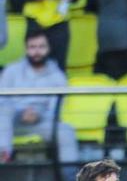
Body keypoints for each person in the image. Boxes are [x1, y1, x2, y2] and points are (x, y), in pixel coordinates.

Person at [0, 30, 80, 167]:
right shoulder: (11, 70)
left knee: (66, 131)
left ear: (48, 49)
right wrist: (20, 113)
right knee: (4, 110)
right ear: (26, 49)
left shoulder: (58, 76)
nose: (37, 52)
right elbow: (2, 99)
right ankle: (3, 156)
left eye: (41, 47)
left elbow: (56, 109)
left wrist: (38, 115)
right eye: (32, 47)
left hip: (40, 122)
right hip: (10, 123)